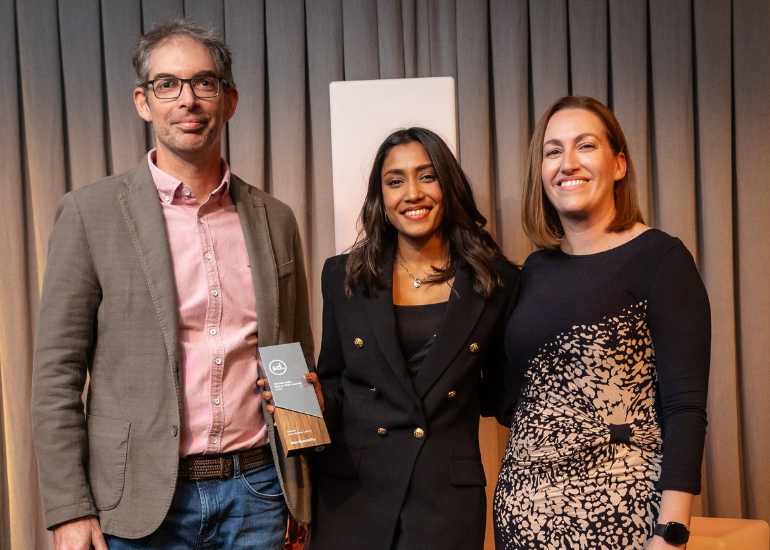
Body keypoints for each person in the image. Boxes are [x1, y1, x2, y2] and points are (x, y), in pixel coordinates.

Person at [31, 19, 319, 550]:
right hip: (138, 507)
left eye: (204, 83)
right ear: (144, 102)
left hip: (258, 495)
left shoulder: (275, 218)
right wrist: (69, 511)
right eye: (168, 85)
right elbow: (56, 377)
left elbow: (292, 359)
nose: (187, 100)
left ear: (229, 100)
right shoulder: (89, 214)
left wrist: (299, 493)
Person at [493, 96, 711, 550]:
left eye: (585, 146)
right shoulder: (532, 271)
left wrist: (671, 534)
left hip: (621, 520)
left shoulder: (660, 259)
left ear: (619, 164)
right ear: (541, 172)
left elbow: (685, 410)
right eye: (553, 152)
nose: (567, 163)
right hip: (521, 516)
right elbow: (510, 401)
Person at [311, 127, 520, 550]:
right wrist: (314, 403)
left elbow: (502, 396)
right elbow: (333, 380)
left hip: (444, 499)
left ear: (449, 186)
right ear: (380, 198)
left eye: (427, 176)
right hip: (352, 493)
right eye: (395, 181)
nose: (412, 193)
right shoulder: (343, 275)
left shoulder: (496, 281)